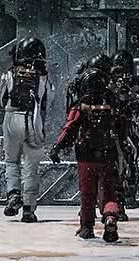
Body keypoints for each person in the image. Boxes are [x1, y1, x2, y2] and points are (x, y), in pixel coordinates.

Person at [48, 67, 122, 242]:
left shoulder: (80, 106)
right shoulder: (111, 105)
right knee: (109, 192)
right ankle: (110, 216)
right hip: (108, 155)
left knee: (88, 194)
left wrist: (57, 148)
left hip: (86, 156)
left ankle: (87, 227)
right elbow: (121, 129)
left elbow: (69, 129)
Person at [0, 37, 51, 222]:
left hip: (11, 117)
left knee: (11, 161)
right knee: (31, 165)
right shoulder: (43, 77)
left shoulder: (10, 74)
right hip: (33, 119)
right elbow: (47, 101)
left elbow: (2, 98)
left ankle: (13, 194)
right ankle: (29, 209)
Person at [107, 50, 139, 219]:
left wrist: (133, 95)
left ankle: (125, 198)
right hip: (110, 129)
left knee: (128, 163)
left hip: (126, 130)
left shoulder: (135, 84)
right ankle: (113, 200)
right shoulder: (107, 83)